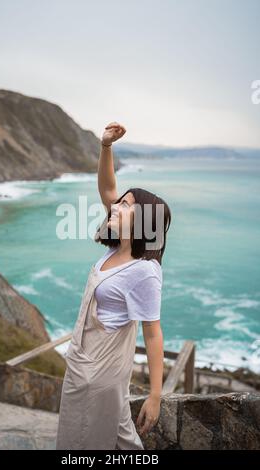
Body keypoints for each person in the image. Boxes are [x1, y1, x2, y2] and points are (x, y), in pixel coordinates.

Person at [56, 122, 171, 450]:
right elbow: (108, 188)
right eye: (118, 203)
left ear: (144, 221)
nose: (115, 205)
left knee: (82, 447)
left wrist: (155, 395)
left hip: (100, 376)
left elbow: (153, 333)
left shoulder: (145, 271)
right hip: (81, 364)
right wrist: (105, 147)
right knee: (120, 443)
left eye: (125, 205)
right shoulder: (114, 250)